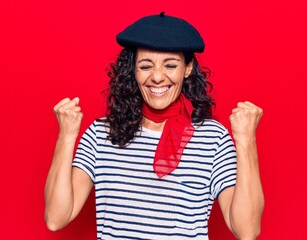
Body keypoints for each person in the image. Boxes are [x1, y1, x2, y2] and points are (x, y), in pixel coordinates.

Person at [44, 12, 264, 240]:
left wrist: (247, 142)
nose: (157, 77)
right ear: (133, 70)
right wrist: (67, 136)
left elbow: (246, 231)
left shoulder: (213, 138)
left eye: (170, 65)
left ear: (187, 69)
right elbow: (56, 218)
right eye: (146, 66)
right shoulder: (101, 134)